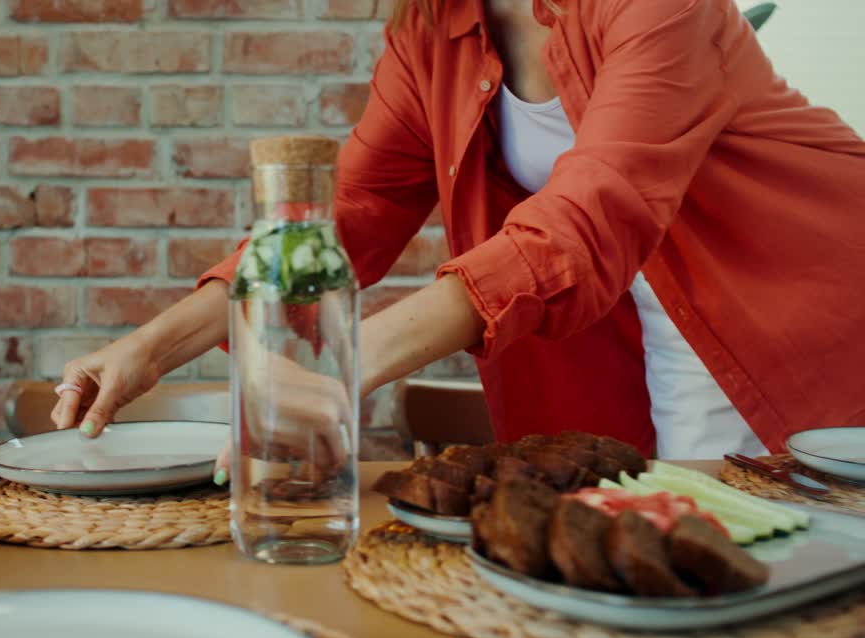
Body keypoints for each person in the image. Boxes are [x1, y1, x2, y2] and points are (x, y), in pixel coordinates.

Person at [51, 0, 865, 477]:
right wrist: (154, 347)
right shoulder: (436, 27)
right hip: (632, 315)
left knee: (735, 581)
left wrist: (345, 369)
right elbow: (356, 208)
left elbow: (590, 214)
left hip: (778, 298)